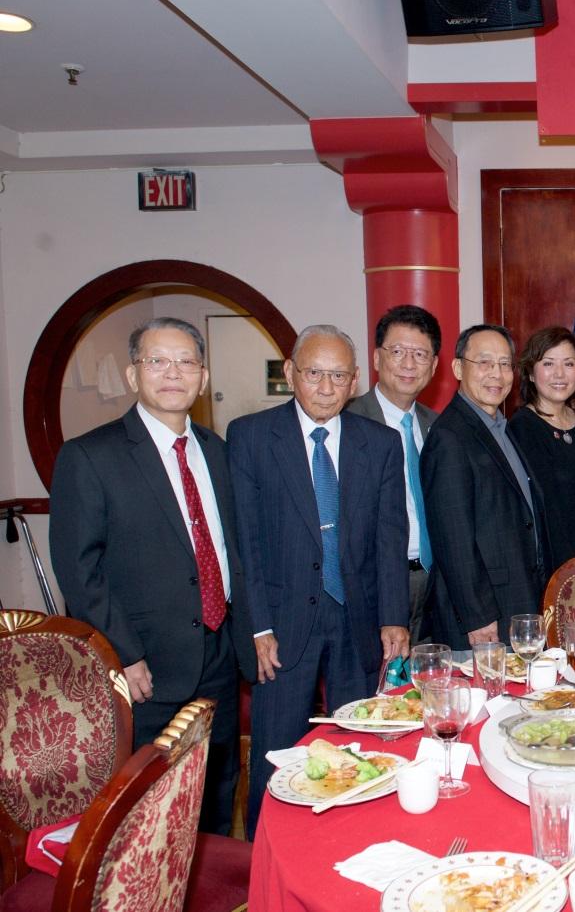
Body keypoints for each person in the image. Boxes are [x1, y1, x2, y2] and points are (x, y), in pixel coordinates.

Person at [50, 317, 255, 836]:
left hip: (218, 654)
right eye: (157, 360)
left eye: (186, 361)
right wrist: (125, 653)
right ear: (131, 373)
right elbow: (80, 569)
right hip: (146, 669)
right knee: (149, 809)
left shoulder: (217, 450)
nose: (172, 373)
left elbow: (230, 550)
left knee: (215, 791)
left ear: (203, 377)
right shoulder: (90, 455)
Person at [229, 324, 409, 836]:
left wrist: (394, 615)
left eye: (338, 375)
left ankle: (353, 842)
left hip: (359, 616)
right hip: (283, 623)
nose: (326, 387)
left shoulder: (381, 443)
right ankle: (270, 859)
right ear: (290, 373)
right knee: (277, 750)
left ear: (355, 380)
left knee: (361, 745)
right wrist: (258, 626)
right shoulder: (251, 437)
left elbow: (389, 537)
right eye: (314, 373)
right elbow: (247, 544)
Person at [422, 324, 547, 649]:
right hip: (485, 615)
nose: (497, 374)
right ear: (458, 368)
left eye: (505, 364)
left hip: (517, 599)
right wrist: (477, 617)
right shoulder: (450, 437)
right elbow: (453, 538)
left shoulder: (500, 428)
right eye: (485, 363)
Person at [347, 305, 440, 643]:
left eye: (420, 354)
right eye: (397, 352)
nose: (409, 364)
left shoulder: (438, 427)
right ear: (375, 358)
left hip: (432, 583)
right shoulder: (347, 424)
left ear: (434, 365)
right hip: (374, 586)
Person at [508, 326, 575, 574]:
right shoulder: (521, 428)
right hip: (549, 562)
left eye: (568, 364)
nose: (559, 374)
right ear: (531, 374)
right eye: (548, 364)